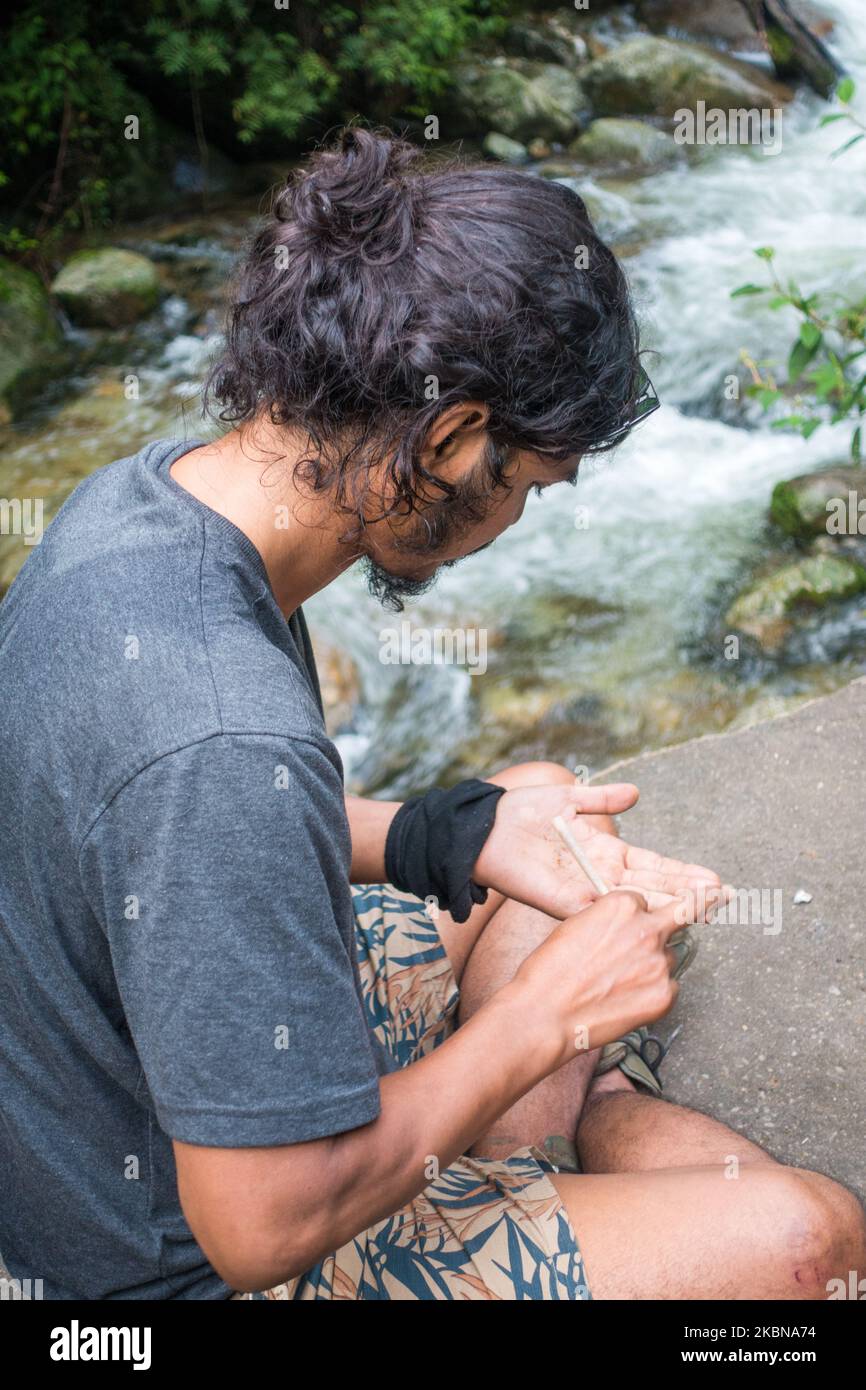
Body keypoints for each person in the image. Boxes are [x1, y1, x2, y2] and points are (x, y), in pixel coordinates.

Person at [0, 128, 862, 1301]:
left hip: (124, 1075)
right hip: (176, 1262)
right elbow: (259, 1225)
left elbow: (154, 823)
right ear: (451, 439)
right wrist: (550, 1023)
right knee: (810, 1252)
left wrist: (432, 835)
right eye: (526, 487)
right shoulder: (215, 725)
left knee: (538, 810)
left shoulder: (155, 500)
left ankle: (532, 1156)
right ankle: (561, 1134)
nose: (512, 522)